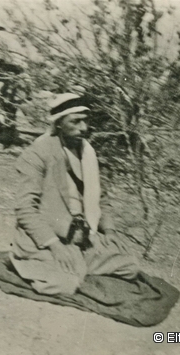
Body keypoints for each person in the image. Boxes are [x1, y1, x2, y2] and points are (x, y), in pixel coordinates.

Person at [10, 93, 139, 295]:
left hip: (82, 238)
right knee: (65, 284)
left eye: (86, 121)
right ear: (59, 123)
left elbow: (100, 198)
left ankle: (76, 265)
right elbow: (25, 208)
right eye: (76, 122)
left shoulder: (86, 153)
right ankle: (65, 267)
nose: (84, 128)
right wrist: (54, 245)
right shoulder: (37, 154)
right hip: (48, 240)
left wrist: (110, 230)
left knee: (130, 266)